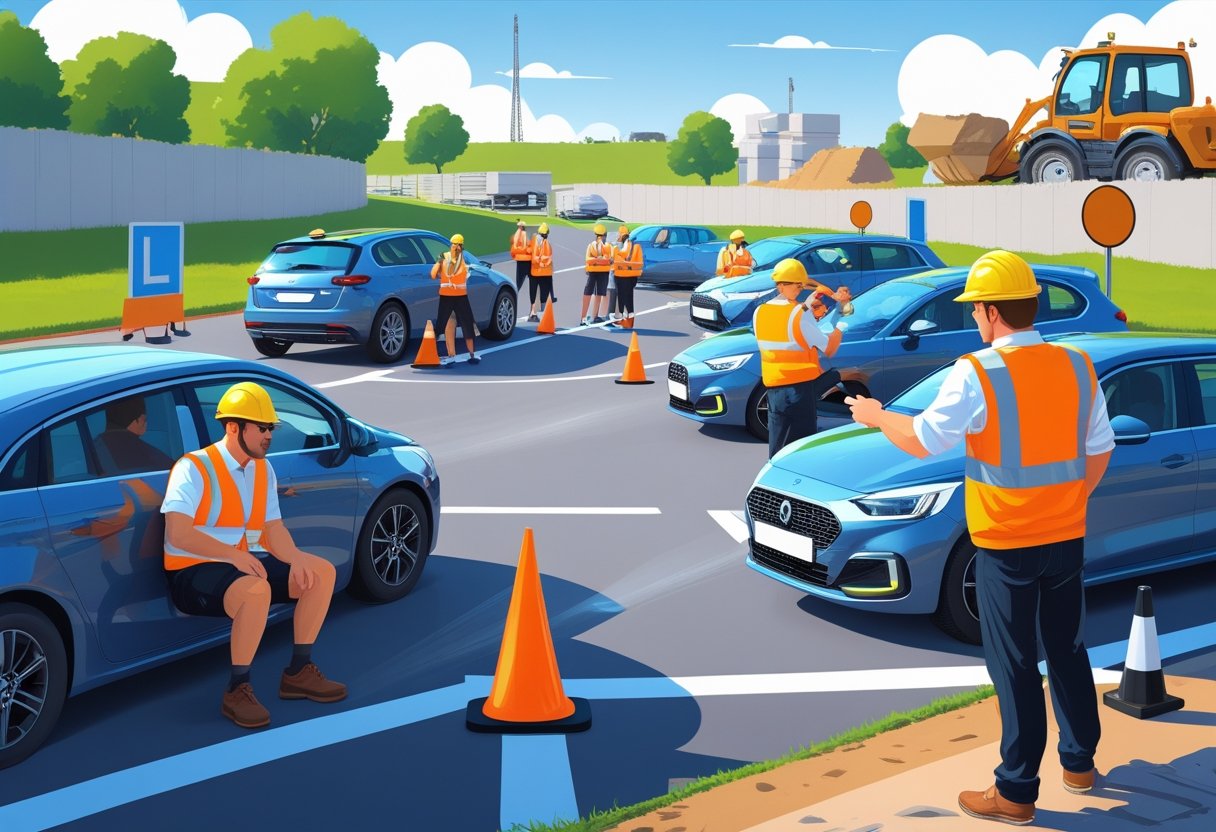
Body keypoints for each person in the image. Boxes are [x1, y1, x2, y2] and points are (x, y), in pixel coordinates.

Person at [845, 251, 1112, 826]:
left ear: (991, 312)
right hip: (1065, 536)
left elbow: (923, 440)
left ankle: (1016, 792)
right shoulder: (1077, 366)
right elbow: (1100, 449)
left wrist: (873, 415)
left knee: (1015, 663)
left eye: (974, 310)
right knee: (1067, 647)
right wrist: (1065, 502)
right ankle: (1081, 764)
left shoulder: (979, 371)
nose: (973, 320)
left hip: (1006, 542)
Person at [161, 382, 346, 730]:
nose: (269, 435)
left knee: (320, 572)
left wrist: (295, 557)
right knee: (255, 590)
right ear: (234, 427)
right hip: (192, 570)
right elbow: (178, 533)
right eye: (261, 428)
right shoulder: (193, 468)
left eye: (271, 428)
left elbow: (273, 529)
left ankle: (298, 673)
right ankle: (237, 689)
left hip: (243, 562)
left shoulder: (263, 469)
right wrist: (232, 556)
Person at [753, 258, 849, 458]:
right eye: (798, 285)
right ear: (789, 285)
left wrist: (809, 308)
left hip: (773, 391)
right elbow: (829, 348)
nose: (799, 290)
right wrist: (841, 323)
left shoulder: (760, 312)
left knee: (777, 447)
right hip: (800, 391)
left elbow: (792, 331)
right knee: (801, 450)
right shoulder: (799, 313)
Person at [430, 233, 479, 364]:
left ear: (451, 244)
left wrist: (441, 273)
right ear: (461, 246)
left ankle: (440, 354)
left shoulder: (442, 257)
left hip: (446, 296)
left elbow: (433, 275)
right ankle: (472, 355)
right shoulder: (463, 259)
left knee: (441, 324)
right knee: (467, 325)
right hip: (461, 297)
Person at [96, 396, 174, 474]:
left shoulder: (94, 447)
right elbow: (175, 470)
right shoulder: (146, 453)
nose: (146, 425)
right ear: (136, 420)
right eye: (144, 420)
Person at [609, 224, 643, 328]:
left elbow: (621, 256)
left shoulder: (625, 245)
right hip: (633, 276)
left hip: (622, 275)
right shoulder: (636, 246)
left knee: (622, 299)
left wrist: (614, 249)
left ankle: (623, 320)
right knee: (629, 298)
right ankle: (630, 322)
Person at [581, 223, 612, 325]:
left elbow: (607, 260)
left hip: (600, 273)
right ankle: (585, 317)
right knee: (592, 292)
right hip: (595, 273)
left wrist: (596, 261)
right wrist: (599, 260)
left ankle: (593, 316)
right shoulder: (592, 246)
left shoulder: (606, 247)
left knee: (599, 293)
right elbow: (588, 259)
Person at [509, 219, 536, 319]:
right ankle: (533, 312)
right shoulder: (529, 235)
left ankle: (512, 310)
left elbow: (512, 251)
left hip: (520, 262)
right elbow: (533, 249)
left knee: (517, 287)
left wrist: (517, 256)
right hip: (530, 262)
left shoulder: (515, 236)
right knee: (533, 286)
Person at [529, 223, 555, 318]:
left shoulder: (533, 241)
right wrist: (543, 263)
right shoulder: (547, 243)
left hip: (534, 272)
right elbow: (548, 259)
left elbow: (531, 255)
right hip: (545, 273)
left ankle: (533, 312)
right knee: (544, 292)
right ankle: (542, 312)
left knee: (534, 293)